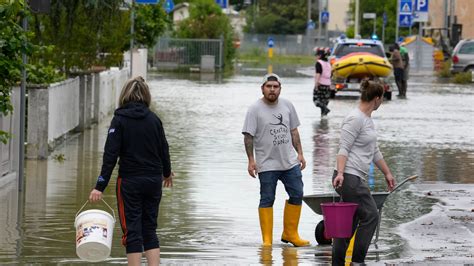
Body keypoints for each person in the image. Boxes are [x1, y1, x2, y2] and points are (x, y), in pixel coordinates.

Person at [89, 76, 174, 266]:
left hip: (130, 182)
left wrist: (99, 187)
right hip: (153, 181)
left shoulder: (119, 120)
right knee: (150, 230)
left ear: (124, 95)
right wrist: (167, 173)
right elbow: (164, 149)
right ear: (146, 95)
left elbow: (110, 156)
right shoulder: (154, 120)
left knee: (132, 232)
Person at [331, 79, 396, 265]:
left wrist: (387, 173)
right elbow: (343, 148)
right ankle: (357, 261)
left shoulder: (367, 120)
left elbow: (374, 151)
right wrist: (341, 174)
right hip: (348, 177)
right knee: (371, 215)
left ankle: (338, 263)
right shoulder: (355, 118)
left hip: (354, 177)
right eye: (382, 98)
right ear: (376, 99)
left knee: (348, 223)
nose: (381, 102)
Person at [242, 73, 309, 247]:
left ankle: (290, 234)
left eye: (275, 86)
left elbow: (293, 131)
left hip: (289, 162)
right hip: (266, 163)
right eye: (269, 86)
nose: (272, 90)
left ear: (280, 88)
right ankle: (267, 240)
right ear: (262, 88)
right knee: (267, 199)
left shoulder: (287, 105)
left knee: (297, 194)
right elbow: (248, 137)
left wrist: (300, 153)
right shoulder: (254, 109)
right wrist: (251, 160)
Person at [313, 48, 332, 116]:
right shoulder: (328, 64)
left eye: (317, 55)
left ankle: (325, 109)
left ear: (320, 55)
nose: (316, 57)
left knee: (316, 100)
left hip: (320, 84)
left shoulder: (319, 63)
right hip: (328, 85)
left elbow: (318, 74)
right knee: (324, 102)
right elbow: (330, 75)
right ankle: (323, 119)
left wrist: (316, 84)